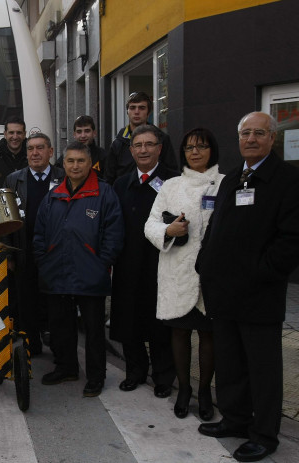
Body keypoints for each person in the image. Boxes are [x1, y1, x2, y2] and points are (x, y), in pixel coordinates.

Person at [196, 112, 299, 462]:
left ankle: (264, 434)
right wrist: (205, 263)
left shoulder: (291, 181)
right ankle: (234, 420)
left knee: (262, 369)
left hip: (260, 294)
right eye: (245, 133)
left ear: (272, 139)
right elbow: (217, 226)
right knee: (230, 364)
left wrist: (261, 272)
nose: (251, 139)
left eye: (259, 133)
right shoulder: (233, 177)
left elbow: (297, 241)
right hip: (224, 292)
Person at [144, 128, 225, 420]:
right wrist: (168, 230)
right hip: (177, 271)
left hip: (211, 274)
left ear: (212, 150)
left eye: (202, 147)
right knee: (179, 332)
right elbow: (150, 223)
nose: (195, 152)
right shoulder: (171, 186)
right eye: (190, 147)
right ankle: (184, 389)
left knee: (208, 334)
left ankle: (204, 392)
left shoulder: (225, 184)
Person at [33, 141, 124, 397]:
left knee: (94, 331)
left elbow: (114, 235)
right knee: (61, 326)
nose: (75, 166)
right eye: (70, 161)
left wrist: (100, 263)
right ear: (63, 164)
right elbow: (39, 233)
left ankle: (96, 377)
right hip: (56, 273)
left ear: (90, 163)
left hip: (90, 275)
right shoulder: (53, 195)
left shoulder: (104, 193)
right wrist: (44, 259)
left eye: (80, 161)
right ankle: (66, 367)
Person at [109, 124, 179, 398]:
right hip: (127, 263)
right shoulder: (121, 183)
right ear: (131, 150)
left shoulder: (173, 182)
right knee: (129, 322)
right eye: (138, 145)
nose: (143, 150)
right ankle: (135, 371)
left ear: (159, 148)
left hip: (161, 264)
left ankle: (163, 377)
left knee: (160, 324)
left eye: (149, 144)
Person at [3, 133, 64, 355]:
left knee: (54, 301)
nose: (35, 153)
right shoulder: (14, 179)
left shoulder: (63, 176)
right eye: (30, 149)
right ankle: (32, 347)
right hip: (24, 249)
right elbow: (6, 219)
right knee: (26, 300)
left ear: (51, 151)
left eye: (40, 148)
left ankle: (58, 346)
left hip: (55, 251)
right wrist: (9, 255)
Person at [106, 92, 175, 184]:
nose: (137, 112)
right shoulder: (118, 143)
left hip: (157, 195)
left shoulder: (162, 139)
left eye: (141, 108)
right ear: (127, 111)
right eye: (132, 108)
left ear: (148, 112)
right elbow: (109, 178)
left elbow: (171, 173)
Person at [55, 115, 109, 181]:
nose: (83, 135)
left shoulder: (103, 156)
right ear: (74, 135)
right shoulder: (66, 156)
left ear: (94, 133)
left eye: (87, 131)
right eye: (79, 132)